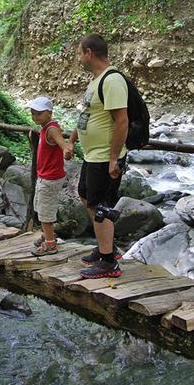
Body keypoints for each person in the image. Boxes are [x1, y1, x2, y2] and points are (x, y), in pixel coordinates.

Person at [67, 34, 128, 279]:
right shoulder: (96, 81)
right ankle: (107, 248)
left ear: (89, 53)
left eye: (79, 53)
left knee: (99, 206)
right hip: (93, 155)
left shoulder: (112, 81)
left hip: (105, 156)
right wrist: (72, 140)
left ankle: (108, 263)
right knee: (86, 196)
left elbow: (122, 122)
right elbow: (87, 117)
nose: (78, 57)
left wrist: (114, 158)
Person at [27, 97, 73, 257]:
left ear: (49, 113)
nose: (35, 117)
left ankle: (50, 245)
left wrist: (67, 150)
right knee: (40, 207)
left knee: (45, 211)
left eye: (39, 113)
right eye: (33, 113)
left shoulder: (52, 129)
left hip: (50, 178)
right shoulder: (44, 128)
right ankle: (48, 236)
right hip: (45, 176)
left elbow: (62, 144)